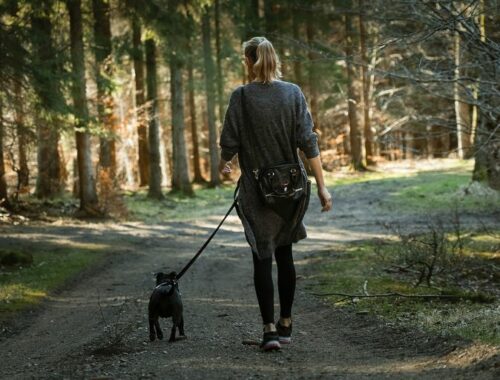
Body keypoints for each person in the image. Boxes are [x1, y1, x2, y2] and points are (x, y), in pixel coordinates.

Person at [218, 36, 332, 351]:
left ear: (248, 61)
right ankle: (286, 323)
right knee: (285, 254)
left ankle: (268, 330)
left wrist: (224, 168)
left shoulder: (240, 97)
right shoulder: (293, 93)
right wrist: (322, 185)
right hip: (293, 189)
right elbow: (309, 142)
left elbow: (229, 144)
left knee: (262, 256)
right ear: (273, 58)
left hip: (257, 190)